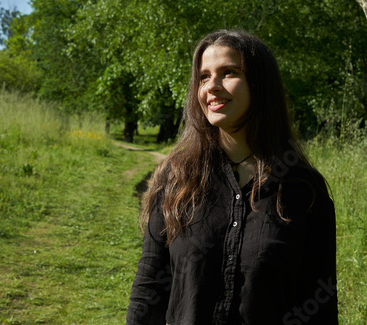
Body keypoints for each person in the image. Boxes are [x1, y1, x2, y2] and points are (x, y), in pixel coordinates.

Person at [126, 30, 338, 325]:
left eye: (229, 73)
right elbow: (148, 291)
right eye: (203, 77)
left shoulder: (303, 189)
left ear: (259, 84)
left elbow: (321, 304)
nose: (212, 86)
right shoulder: (175, 179)